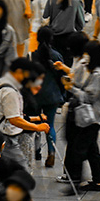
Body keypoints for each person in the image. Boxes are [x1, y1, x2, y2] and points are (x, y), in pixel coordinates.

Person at [57, 41, 100, 192]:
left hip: (92, 118)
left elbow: (90, 97)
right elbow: (79, 82)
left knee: (78, 150)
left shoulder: (98, 73)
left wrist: (70, 88)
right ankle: (97, 183)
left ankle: (76, 183)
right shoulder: (86, 66)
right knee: (92, 150)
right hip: (85, 116)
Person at [0, 58, 50, 168]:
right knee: (22, 172)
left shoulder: (1, 82)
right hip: (7, 137)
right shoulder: (10, 92)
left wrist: (35, 119)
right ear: (19, 71)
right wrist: (37, 127)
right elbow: (14, 119)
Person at [31, 28, 64, 167]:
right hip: (52, 95)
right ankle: (51, 153)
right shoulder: (56, 56)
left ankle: (37, 151)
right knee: (50, 125)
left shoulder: (33, 56)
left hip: (35, 96)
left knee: (36, 124)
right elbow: (62, 77)